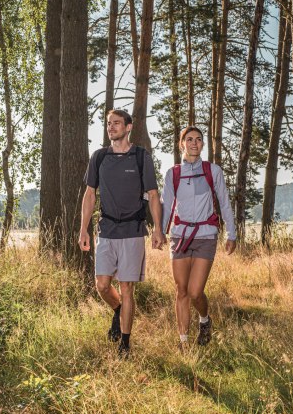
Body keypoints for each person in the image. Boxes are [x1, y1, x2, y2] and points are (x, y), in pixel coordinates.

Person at [79, 109, 165, 357]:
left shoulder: (140, 157)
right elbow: (89, 194)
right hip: (106, 230)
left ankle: (125, 344)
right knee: (102, 285)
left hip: (133, 231)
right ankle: (118, 310)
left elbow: (153, 195)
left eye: (116, 123)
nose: (111, 127)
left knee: (127, 287)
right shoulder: (99, 157)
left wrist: (158, 228)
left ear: (128, 127)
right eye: (108, 124)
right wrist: (83, 229)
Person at [161, 126, 236, 349]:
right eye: (190, 139)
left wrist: (231, 234)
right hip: (179, 236)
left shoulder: (213, 171)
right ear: (181, 144)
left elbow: (224, 203)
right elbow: (167, 207)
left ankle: (204, 320)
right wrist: (160, 231)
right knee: (181, 290)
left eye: (199, 140)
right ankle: (183, 343)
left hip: (205, 236)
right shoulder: (172, 173)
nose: (195, 143)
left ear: (203, 145)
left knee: (195, 292)